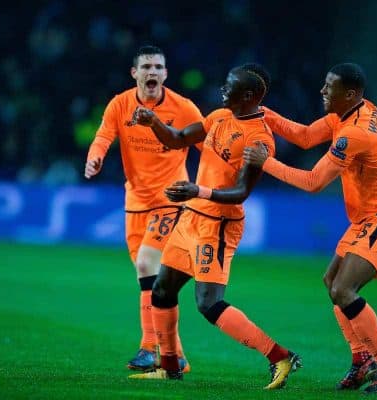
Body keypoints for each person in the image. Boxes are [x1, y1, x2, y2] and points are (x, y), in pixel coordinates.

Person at [243, 63, 377, 394]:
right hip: (369, 217)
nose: (322, 91)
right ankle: (361, 358)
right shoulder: (352, 112)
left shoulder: (355, 134)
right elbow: (306, 136)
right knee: (331, 282)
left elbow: (313, 183)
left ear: (349, 94)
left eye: (329, 86)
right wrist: (264, 113)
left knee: (343, 290)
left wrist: (265, 162)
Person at [128, 63, 301, 390]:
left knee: (208, 303)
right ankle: (168, 367)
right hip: (191, 217)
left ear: (248, 96)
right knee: (162, 290)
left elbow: (242, 192)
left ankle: (280, 356)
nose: (222, 90)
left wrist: (200, 191)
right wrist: (153, 123)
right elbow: (179, 138)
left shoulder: (259, 139)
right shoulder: (220, 117)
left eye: (229, 86)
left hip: (218, 225)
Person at [84, 45, 202, 372]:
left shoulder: (184, 108)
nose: (153, 72)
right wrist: (95, 156)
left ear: (166, 73)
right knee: (150, 277)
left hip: (171, 199)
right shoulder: (120, 104)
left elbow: (209, 145)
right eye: (146, 66)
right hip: (135, 201)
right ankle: (175, 355)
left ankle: (149, 348)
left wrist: (212, 184)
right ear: (134, 73)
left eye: (158, 67)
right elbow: (104, 135)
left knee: (147, 265)